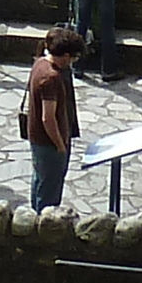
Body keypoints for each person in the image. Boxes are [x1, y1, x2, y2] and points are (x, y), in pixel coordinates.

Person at [22, 27, 81, 209]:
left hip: (38, 140)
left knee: (40, 182)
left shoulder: (40, 63)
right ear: (64, 55)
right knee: (49, 192)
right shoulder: (51, 78)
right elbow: (48, 118)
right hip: (49, 144)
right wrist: (60, 145)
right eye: (73, 57)